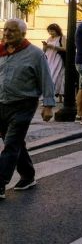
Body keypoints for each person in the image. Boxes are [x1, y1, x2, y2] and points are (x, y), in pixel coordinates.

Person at [0, 19, 55, 200]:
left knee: (11, 143)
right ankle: (28, 175)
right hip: (2, 103)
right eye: (5, 29)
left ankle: (0, 183)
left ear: (23, 34)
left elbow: (46, 80)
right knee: (15, 142)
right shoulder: (0, 51)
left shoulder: (35, 54)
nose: (7, 33)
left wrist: (48, 106)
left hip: (24, 104)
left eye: (12, 31)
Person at [43, 23, 66, 102]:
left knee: (55, 75)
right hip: (49, 58)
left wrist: (53, 47)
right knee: (49, 75)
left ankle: (53, 96)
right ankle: (49, 96)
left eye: (52, 31)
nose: (51, 33)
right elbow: (45, 50)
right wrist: (45, 46)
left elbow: (65, 48)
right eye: (49, 31)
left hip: (57, 58)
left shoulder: (62, 37)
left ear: (57, 31)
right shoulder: (49, 38)